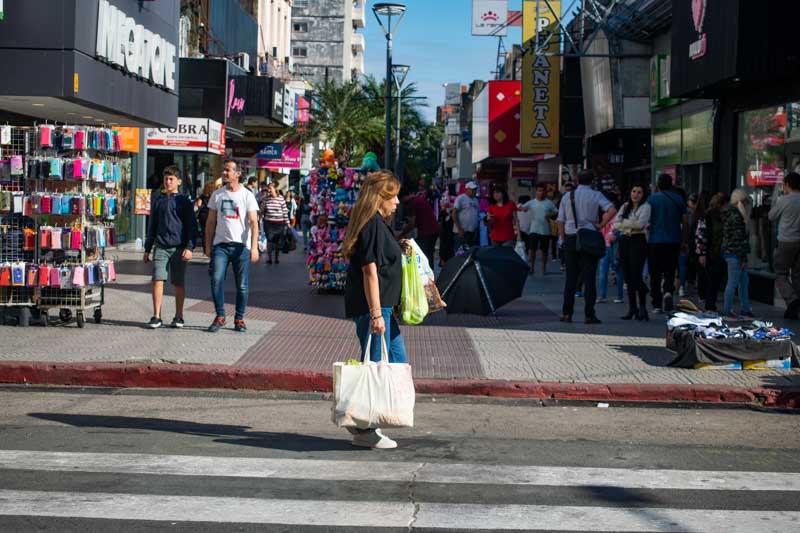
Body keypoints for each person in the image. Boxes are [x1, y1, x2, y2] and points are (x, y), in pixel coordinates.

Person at [342, 171, 407, 450]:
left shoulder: (379, 224)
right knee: (374, 368)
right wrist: (377, 313)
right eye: (394, 196)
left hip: (385, 308)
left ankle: (373, 420)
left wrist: (399, 247)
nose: (398, 202)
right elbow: (370, 270)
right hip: (376, 309)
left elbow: (380, 259)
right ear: (381, 198)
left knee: (396, 362)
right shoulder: (372, 225)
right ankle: (365, 427)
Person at [204, 160, 260, 333]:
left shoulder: (247, 195)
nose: (225, 173)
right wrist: (207, 244)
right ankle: (220, 316)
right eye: (224, 170)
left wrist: (254, 246)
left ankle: (239, 318)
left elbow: (253, 222)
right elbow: (210, 221)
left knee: (242, 285)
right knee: (216, 279)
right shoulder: (217, 195)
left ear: (237, 174)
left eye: (228, 171)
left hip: (241, 247)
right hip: (220, 246)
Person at [556, 170, 617, 324]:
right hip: (589, 238)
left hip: (570, 238)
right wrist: (601, 225)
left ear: (577, 180)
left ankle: (567, 313)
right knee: (589, 278)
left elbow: (560, 220)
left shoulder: (567, 196)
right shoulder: (596, 195)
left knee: (570, 278)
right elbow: (612, 209)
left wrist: (563, 239)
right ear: (592, 181)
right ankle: (589, 315)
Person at [143, 166, 196, 329]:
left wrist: (189, 247)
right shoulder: (158, 199)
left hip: (179, 248)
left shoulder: (184, 201)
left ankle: (179, 316)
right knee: (157, 280)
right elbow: (152, 225)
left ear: (179, 181)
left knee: (178, 283)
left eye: (171, 179)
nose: (168, 182)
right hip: (160, 246)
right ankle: (156, 316)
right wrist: (147, 248)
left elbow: (191, 226)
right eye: (166, 179)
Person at [646, 174, 687, 314]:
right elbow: (685, 222)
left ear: (658, 185)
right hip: (673, 240)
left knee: (655, 273)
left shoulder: (652, 199)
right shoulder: (678, 199)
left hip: (655, 241)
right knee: (670, 270)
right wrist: (684, 240)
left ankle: (656, 302)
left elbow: (647, 221)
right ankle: (668, 291)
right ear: (671, 185)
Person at [613, 184, 651, 321]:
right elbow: (615, 224)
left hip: (638, 242)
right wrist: (629, 225)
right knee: (628, 277)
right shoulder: (625, 206)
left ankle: (642, 307)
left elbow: (641, 225)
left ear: (643, 194)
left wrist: (625, 224)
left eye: (639, 192)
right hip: (624, 241)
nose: (636, 194)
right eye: (634, 191)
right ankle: (632, 307)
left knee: (636, 275)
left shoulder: (646, 207)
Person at [768, 171, 800, 319]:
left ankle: (792, 300)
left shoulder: (784, 200)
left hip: (786, 242)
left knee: (780, 273)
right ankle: (796, 307)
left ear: (787, 185)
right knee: (797, 275)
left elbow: (771, 216)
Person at [721, 189, 753, 319]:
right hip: (735, 253)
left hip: (732, 252)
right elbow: (739, 238)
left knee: (742, 281)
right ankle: (728, 310)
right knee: (735, 282)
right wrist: (743, 256)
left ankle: (744, 308)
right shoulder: (737, 216)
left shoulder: (730, 213)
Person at [695, 192, 728, 312]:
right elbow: (701, 235)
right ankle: (710, 305)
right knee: (712, 279)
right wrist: (702, 253)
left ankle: (710, 304)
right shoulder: (707, 216)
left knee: (715, 279)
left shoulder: (722, 216)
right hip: (711, 251)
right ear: (720, 204)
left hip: (719, 252)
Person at [520, 185, 557, 275]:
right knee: (532, 250)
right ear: (536, 192)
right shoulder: (531, 202)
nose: (541, 193)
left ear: (545, 192)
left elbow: (556, 211)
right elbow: (523, 208)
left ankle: (543, 268)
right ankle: (531, 267)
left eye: (542, 191)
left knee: (544, 251)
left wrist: (550, 214)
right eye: (539, 191)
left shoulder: (549, 203)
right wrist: (522, 208)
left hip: (545, 231)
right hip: (534, 230)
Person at [401, 189, 440, 267]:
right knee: (428, 254)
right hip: (433, 230)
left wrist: (401, 234)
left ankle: (428, 276)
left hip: (427, 232)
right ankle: (429, 274)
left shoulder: (411, 203)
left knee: (424, 255)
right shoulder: (418, 199)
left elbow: (412, 223)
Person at [261, 182, 290, 265]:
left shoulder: (281, 198)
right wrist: (262, 205)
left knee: (277, 241)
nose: (269, 190)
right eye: (268, 189)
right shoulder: (266, 198)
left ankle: (276, 258)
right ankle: (270, 258)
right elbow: (262, 210)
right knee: (269, 240)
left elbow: (284, 211)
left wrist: (288, 223)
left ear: (275, 189)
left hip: (279, 223)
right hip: (269, 223)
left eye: (270, 188)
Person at [452, 181, 480, 250]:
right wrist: (459, 229)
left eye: (475, 189)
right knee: (460, 252)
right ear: (467, 189)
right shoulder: (460, 198)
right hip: (462, 231)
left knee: (470, 252)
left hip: (472, 231)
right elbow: (454, 213)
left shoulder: (476, 200)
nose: (474, 191)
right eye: (472, 190)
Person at [195, 180, 218, 246]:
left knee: (204, 231)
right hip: (212, 215)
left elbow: (198, 205)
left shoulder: (202, 196)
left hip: (203, 215)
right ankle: (212, 244)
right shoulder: (215, 196)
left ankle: (205, 246)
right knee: (213, 230)